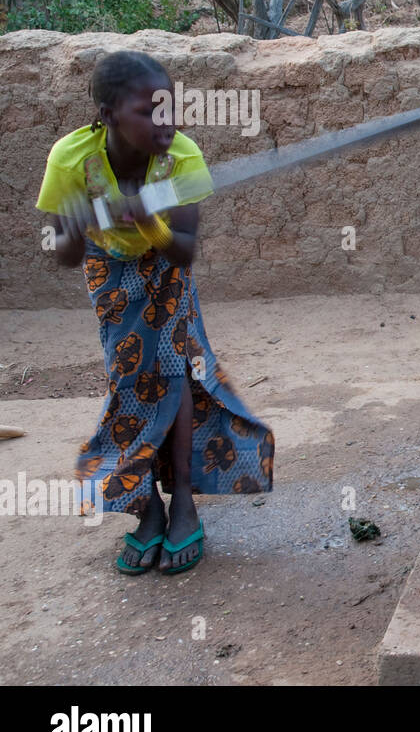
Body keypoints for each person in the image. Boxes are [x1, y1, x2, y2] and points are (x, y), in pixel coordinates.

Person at [36, 51, 273, 574]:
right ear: (107, 113)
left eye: (170, 107)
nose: (167, 122)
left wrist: (149, 219)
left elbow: (183, 250)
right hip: (107, 267)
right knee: (129, 379)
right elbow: (62, 255)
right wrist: (72, 228)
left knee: (174, 374)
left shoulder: (181, 157)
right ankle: (148, 506)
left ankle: (183, 500)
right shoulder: (72, 160)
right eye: (149, 111)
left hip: (165, 268)